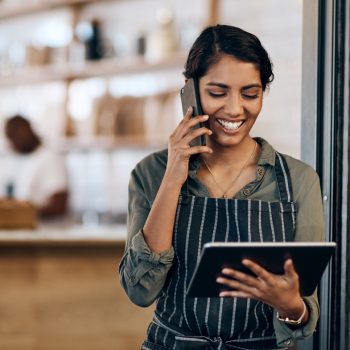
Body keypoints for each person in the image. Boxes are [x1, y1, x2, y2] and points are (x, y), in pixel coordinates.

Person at [119, 25, 324, 349]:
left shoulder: (298, 180)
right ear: (191, 91)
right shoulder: (151, 173)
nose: (234, 109)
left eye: (250, 93)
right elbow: (140, 290)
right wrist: (173, 177)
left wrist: (289, 306)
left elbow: (304, 317)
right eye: (218, 92)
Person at [1, 115, 68, 218]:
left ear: (29, 131)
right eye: (10, 137)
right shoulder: (11, 159)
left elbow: (59, 204)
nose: (14, 142)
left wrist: (22, 213)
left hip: (44, 229)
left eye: (17, 135)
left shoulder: (50, 158)